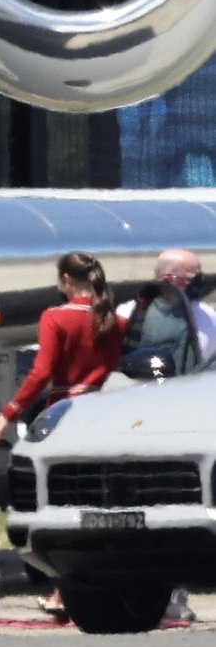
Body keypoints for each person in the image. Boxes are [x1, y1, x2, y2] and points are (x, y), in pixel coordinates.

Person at [0, 252, 126, 615]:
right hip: (103, 411)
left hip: (62, 415)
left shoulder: (55, 317)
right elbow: (110, 367)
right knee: (98, 504)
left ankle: (63, 592)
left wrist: (7, 414)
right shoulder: (112, 319)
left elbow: (40, 373)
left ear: (65, 280)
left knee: (59, 507)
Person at [117, 247, 216, 623]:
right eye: (194, 277)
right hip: (138, 429)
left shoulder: (207, 317)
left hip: (192, 430)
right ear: (170, 280)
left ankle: (176, 594)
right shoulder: (132, 317)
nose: (200, 283)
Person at [117, 248, 216, 363]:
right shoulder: (128, 314)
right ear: (167, 280)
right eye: (189, 279)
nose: (197, 284)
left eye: (199, 278)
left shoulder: (208, 316)